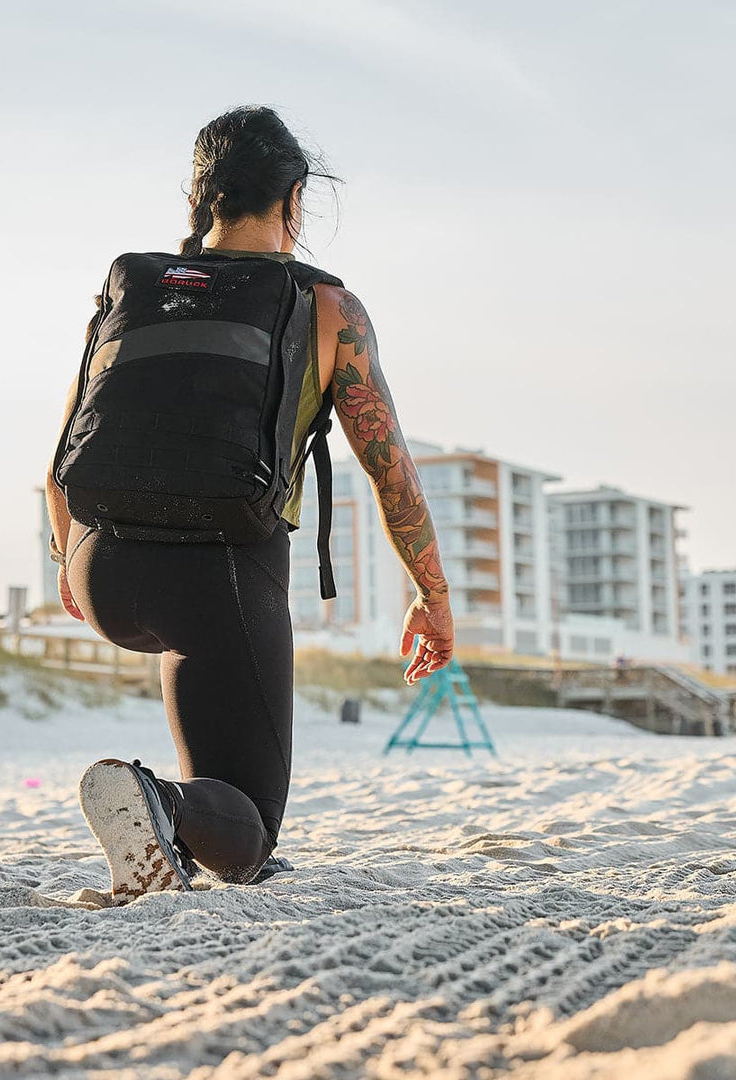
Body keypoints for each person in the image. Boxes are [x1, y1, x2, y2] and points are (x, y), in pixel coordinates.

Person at [45, 106, 453, 901]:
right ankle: (161, 800)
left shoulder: (130, 287)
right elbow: (391, 469)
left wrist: (69, 557)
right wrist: (430, 595)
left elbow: (63, 447)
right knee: (248, 836)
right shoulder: (327, 307)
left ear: (203, 198)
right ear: (294, 199)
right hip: (219, 573)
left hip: (101, 565)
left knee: (208, 749)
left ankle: (170, 820)